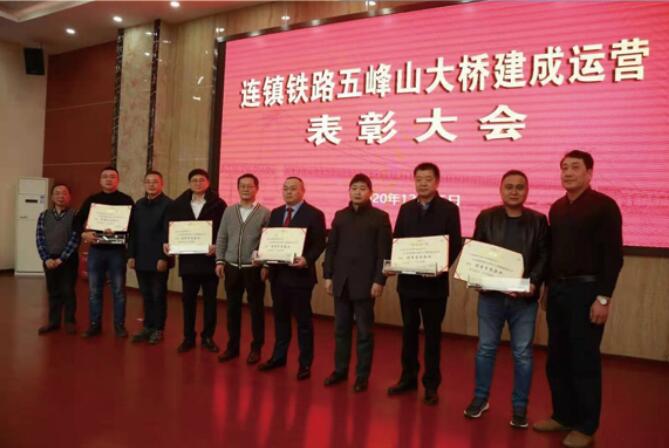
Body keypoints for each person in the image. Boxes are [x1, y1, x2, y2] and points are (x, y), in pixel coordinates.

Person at [533, 150, 623, 448]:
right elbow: (553, 254)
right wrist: (547, 289)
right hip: (558, 291)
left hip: (588, 292)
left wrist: (604, 298)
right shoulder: (557, 208)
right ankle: (562, 415)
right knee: (557, 357)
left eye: (575, 167)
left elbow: (613, 257)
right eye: (564, 168)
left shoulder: (604, 206)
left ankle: (586, 426)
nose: (568, 173)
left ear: (589, 173)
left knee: (584, 359)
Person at [463, 170, 549, 428]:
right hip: (491, 297)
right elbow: (476, 252)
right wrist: (474, 276)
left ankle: (520, 408)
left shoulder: (538, 221)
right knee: (485, 349)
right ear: (500, 189)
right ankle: (481, 399)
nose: (514, 191)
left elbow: (544, 257)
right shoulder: (486, 217)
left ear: (527, 191)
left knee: (522, 354)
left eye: (520, 187)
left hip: (524, 301)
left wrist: (533, 282)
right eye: (509, 186)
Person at [386, 162, 462, 405]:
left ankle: (431, 385)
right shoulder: (406, 208)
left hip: (434, 286)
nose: (423, 183)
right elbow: (398, 240)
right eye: (419, 179)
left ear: (437, 182)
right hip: (408, 284)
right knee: (408, 333)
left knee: (432, 336)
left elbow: (455, 244)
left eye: (428, 179)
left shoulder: (449, 209)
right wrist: (394, 262)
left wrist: (440, 267)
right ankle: (407, 378)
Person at [322, 173, 392, 393]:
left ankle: (362, 376)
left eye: (362, 188)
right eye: (354, 188)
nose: (358, 192)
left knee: (364, 333)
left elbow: (384, 253)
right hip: (341, 282)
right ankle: (340, 370)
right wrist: (328, 276)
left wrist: (379, 280)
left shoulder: (380, 217)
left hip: (366, 284)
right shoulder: (340, 216)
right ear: (349, 191)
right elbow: (331, 248)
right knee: (340, 330)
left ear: (371, 192)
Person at [258, 177, 326, 380]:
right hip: (278, 276)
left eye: (293, 188)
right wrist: (265, 264)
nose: (288, 192)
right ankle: (279, 357)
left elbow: (319, 243)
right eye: (285, 188)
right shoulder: (276, 213)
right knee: (280, 319)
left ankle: (305, 363)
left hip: (300, 277)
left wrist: (307, 259)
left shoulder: (314, 214)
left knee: (303, 323)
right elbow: (270, 242)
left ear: (303, 191)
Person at [167, 168, 227, 353]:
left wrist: (217, 246)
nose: (198, 183)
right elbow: (171, 228)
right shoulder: (178, 204)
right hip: (189, 261)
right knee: (188, 301)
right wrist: (169, 243)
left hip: (209, 260)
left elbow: (224, 230)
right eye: (194, 180)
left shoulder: (219, 204)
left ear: (208, 183)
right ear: (189, 183)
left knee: (210, 302)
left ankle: (208, 337)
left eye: (202, 180)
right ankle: (188, 337)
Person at [216, 173, 271, 365]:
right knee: (232, 309)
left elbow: (268, 241)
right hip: (231, 267)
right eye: (242, 186)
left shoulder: (265, 213)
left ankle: (256, 348)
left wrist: (265, 265)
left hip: (253, 269)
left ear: (257, 188)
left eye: (250, 186)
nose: (246, 189)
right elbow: (222, 236)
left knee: (256, 310)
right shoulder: (229, 211)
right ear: (238, 188)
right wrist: (220, 261)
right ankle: (232, 347)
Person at [76, 166, 134, 338]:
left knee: (118, 291)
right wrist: (84, 233)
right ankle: (94, 325)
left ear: (118, 180)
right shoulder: (92, 200)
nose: (109, 179)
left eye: (112, 177)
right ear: (100, 180)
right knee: (94, 290)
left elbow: (133, 226)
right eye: (105, 177)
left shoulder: (126, 200)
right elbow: (77, 221)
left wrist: (120, 231)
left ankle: (119, 326)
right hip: (96, 250)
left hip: (117, 251)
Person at [127, 171, 173, 345]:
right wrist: (131, 255)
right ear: (144, 184)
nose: (151, 185)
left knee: (158, 295)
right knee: (146, 295)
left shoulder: (169, 204)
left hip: (159, 259)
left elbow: (169, 234)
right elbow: (133, 232)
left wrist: (164, 258)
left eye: (155, 182)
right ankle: (147, 326)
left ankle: (159, 329)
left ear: (162, 184)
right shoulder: (139, 204)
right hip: (140, 257)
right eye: (148, 182)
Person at [35, 183, 80, 335]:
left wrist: (61, 259)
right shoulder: (44, 215)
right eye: (57, 193)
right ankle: (54, 322)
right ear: (52, 197)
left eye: (64, 193)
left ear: (69, 197)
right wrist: (46, 258)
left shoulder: (75, 215)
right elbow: (39, 238)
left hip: (68, 259)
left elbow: (75, 239)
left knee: (68, 290)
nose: (61, 196)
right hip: (49, 259)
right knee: (53, 291)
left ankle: (70, 321)